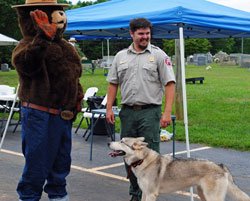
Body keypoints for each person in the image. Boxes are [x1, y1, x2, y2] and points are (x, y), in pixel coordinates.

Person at [106, 18, 175, 201]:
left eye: (147, 34)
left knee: (150, 156)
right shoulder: (121, 56)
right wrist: (109, 109)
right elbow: (113, 84)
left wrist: (167, 112)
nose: (145, 37)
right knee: (128, 155)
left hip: (150, 112)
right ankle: (136, 193)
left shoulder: (159, 55)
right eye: (141, 34)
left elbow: (169, 84)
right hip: (127, 112)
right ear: (132, 34)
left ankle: (149, 195)